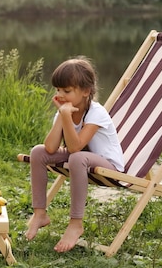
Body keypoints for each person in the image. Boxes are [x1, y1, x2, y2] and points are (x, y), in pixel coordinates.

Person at [25, 56, 124, 252]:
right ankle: (40, 214)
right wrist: (63, 116)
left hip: (108, 164)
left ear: (86, 91)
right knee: (38, 152)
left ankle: (76, 223)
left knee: (76, 157)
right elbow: (51, 148)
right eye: (58, 90)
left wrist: (65, 117)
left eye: (67, 91)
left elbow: (75, 147)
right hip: (81, 159)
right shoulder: (64, 110)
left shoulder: (96, 113)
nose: (60, 95)